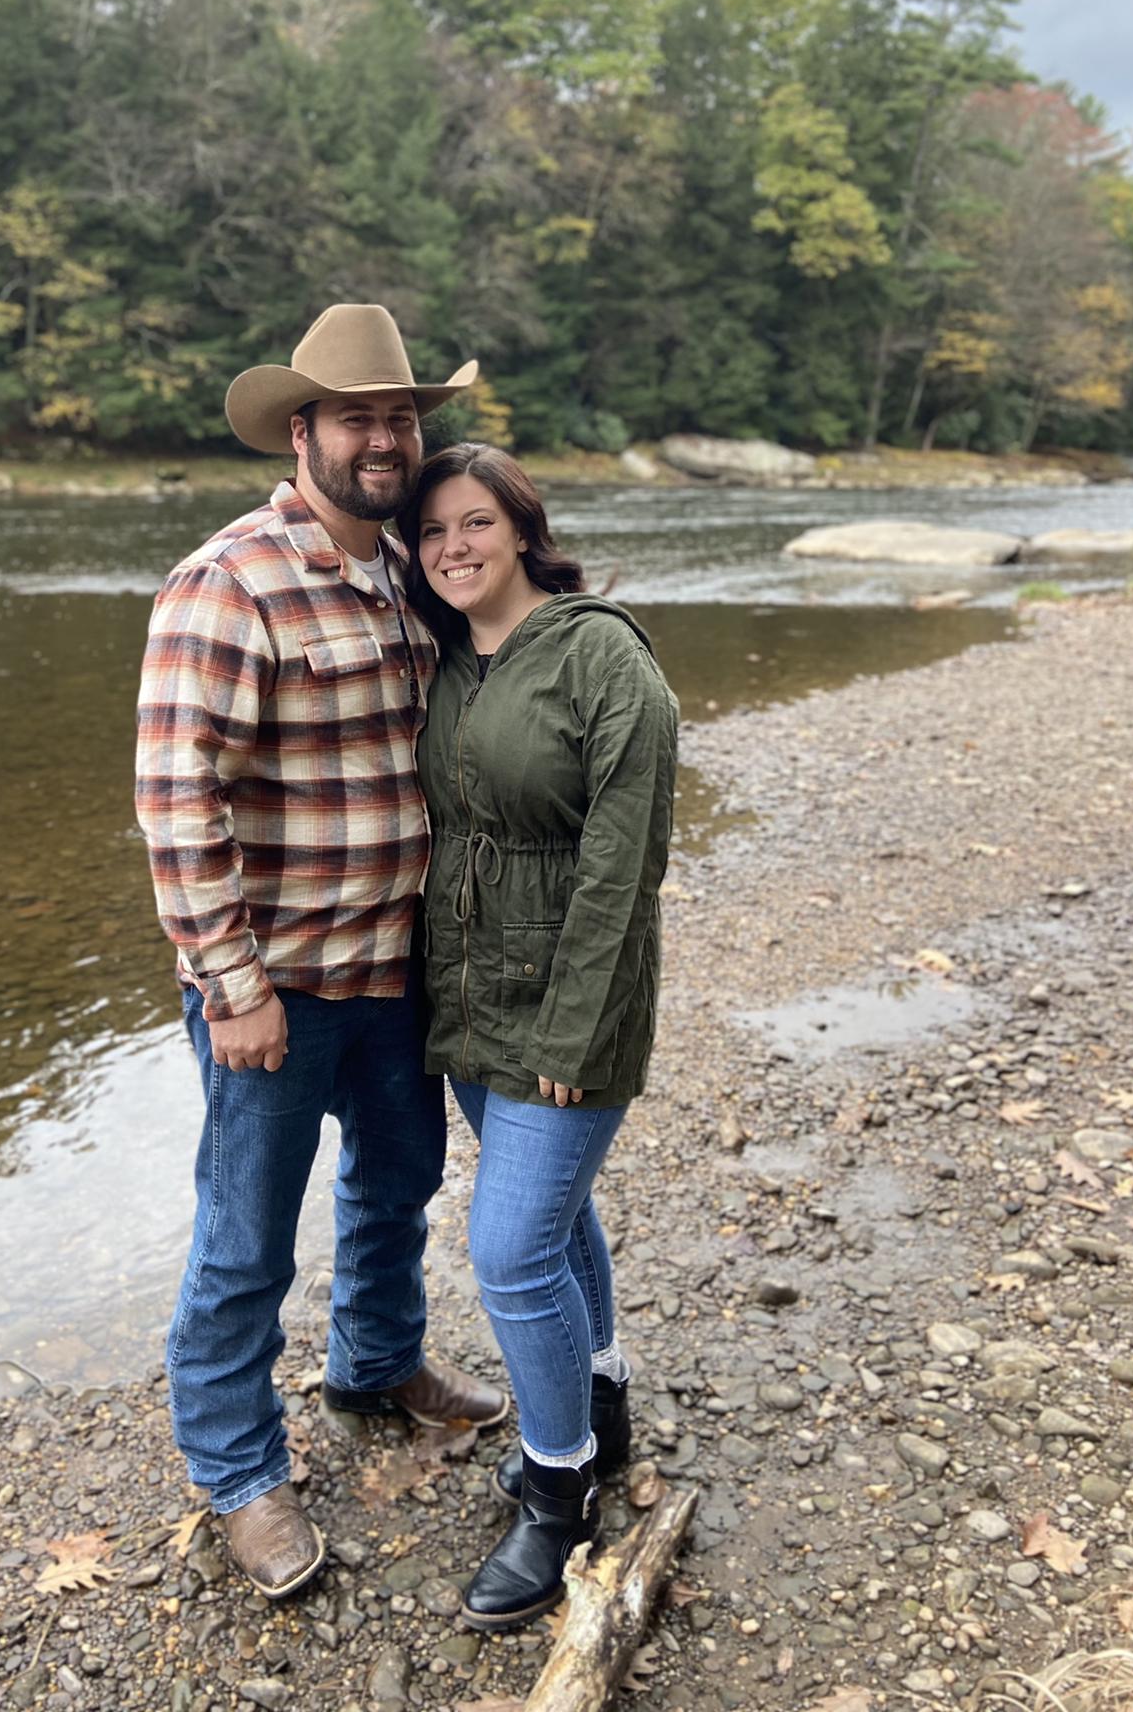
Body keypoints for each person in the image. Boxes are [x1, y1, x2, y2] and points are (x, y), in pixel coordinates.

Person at [135, 307, 507, 1602]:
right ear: (303, 432)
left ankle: (374, 1365)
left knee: (396, 1186)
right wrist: (228, 986)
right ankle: (238, 1473)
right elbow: (178, 799)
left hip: (397, 975)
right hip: (277, 993)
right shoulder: (227, 581)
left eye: (401, 417)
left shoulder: (412, 570)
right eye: (358, 417)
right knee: (245, 1240)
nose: (384, 438)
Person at [397, 443, 678, 1629]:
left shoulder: (601, 653)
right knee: (562, 1220)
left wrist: (573, 1025)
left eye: (475, 524)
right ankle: (602, 1395)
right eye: (432, 534)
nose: (453, 548)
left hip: (574, 1004)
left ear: (522, 527)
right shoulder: (454, 660)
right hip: (470, 1001)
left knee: (510, 1250)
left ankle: (558, 1485)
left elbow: (625, 863)